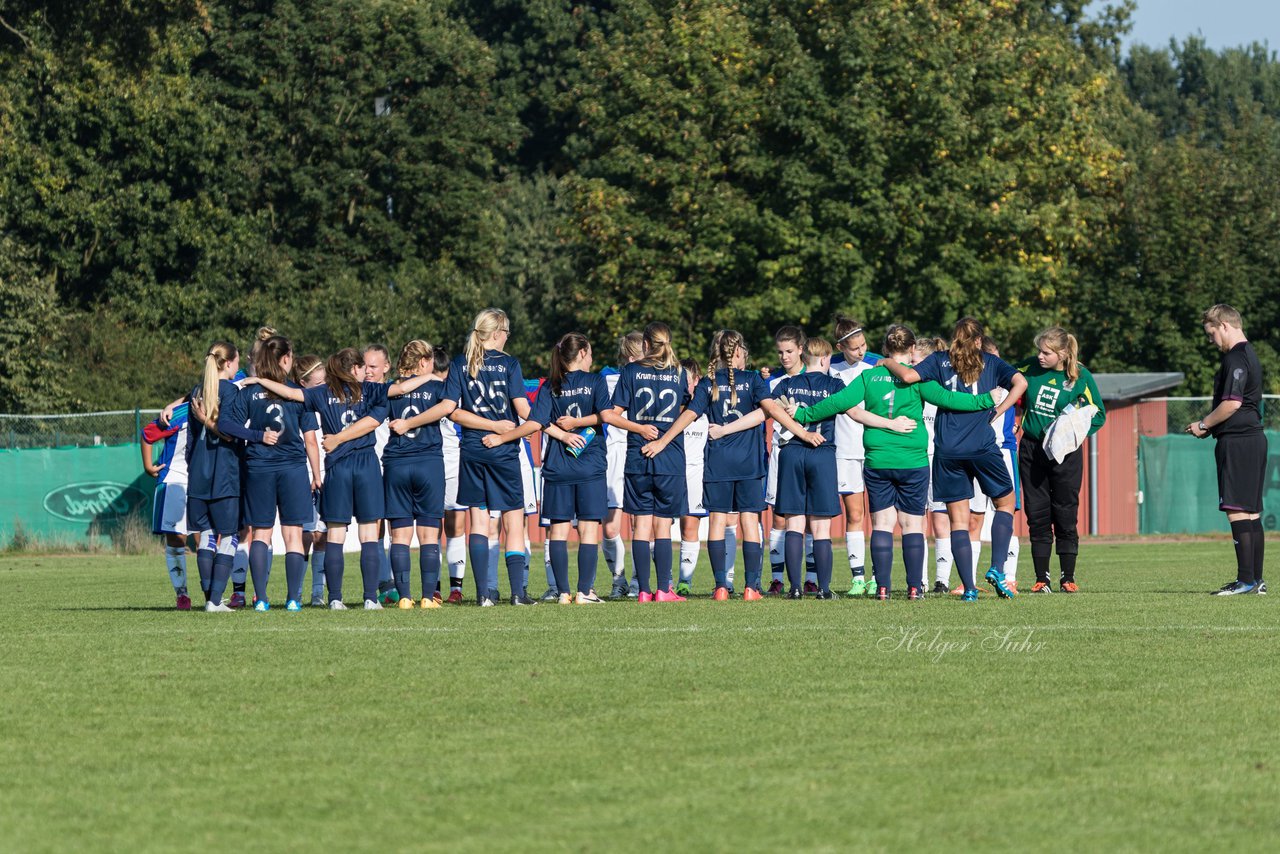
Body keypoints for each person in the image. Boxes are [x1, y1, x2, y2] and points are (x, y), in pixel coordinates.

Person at [789, 325, 999, 599]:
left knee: (882, 524)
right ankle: (914, 588)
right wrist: (986, 399)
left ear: (886, 349)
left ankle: (883, 587)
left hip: (878, 460)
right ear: (912, 349)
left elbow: (837, 402)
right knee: (913, 525)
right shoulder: (917, 380)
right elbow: (949, 399)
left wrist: (804, 415)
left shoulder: (870, 376)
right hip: (912, 460)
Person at [879, 318, 1026, 600]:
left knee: (958, 521)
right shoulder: (991, 363)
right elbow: (1021, 382)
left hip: (947, 450)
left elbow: (908, 377)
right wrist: (999, 410)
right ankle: (996, 567)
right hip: (982, 445)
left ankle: (969, 588)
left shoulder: (938, 359)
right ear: (980, 341)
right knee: (1005, 504)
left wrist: (887, 362)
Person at [246, 348, 389, 609]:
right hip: (366, 463)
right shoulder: (370, 390)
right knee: (369, 533)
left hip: (337, 468)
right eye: (362, 367)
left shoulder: (323, 393)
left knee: (335, 535)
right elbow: (397, 394)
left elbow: (290, 393)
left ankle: (335, 599)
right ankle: (370, 598)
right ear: (355, 369)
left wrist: (259, 380)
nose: (365, 372)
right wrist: (435, 379)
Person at [490, 333, 612, 603]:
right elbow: (606, 416)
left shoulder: (550, 386)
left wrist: (563, 434)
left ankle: (563, 593)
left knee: (558, 529)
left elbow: (536, 421)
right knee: (588, 528)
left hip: (558, 466)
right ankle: (584, 592)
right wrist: (577, 427)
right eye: (589, 352)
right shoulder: (595, 381)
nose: (591, 358)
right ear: (581, 353)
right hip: (590, 465)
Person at [664, 330, 770, 599]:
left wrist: (665, 438)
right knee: (748, 522)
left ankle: (721, 586)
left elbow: (689, 413)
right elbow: (765, 413)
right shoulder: (754, 380)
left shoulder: (707, 383)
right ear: (739, 351)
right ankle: (750, 586)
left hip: (718, 463)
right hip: (748, 463)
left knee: (716, 522)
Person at [442, 308, 534, 606]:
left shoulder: (460, 362)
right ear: (496, 333)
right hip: (504, 451)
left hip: (472, 449)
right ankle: (518, 594)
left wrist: (486, 425)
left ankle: (483, 594)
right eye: (506, 333)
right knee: (513, 521)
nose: (508, 338)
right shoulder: (509, 364)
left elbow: (452, 411)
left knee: (478, 523)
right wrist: (541, 421)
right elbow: (522, 410)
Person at [187, 342, 278, 611]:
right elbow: (229, 431)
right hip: (225, 471)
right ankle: (214, 601)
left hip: (199, 472)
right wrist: (258, 436)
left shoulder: (196, 391)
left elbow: (191, 441)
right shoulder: (230, 390)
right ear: (228, 364)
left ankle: (209, 599)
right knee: (228, 536)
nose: (238, 367)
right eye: (237, 362)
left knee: (205, 536)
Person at [1015, 327, 1106, 593]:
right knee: (1037, 512)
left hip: (1065, 454)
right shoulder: (1029, 367)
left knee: (1065, 511)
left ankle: (1068, 577)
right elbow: (1002, 381)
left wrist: (1073, 435)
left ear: (1063, 353)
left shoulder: (1080, 376)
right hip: (1032, 450)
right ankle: (1041, 578)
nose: (1039, 356)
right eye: (1038, 351)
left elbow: (1098, 414)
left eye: (1046, 352)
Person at [604, 322, 691, 601]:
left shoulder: (630, 371)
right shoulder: (679, 372)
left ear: (645, 345)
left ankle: (642, 590)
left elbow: (611, 414)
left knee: (641, 525)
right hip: (669, 457)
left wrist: (639, 428)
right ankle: (664, 590)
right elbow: (686, 409)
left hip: (637, 456)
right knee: (662, 526)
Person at [1185, 305, 1267, 596]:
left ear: (1224, 326)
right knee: (1251, 511)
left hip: (1239, 441)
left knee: (1236, 509)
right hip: (1252, 439)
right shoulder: (1249, 353)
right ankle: (1255, 581)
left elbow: (1231, 403)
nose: (1211, 341)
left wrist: (1204, 424)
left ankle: (1246, 581)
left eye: (1211, 334)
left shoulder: (1235, 357)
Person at [233, 335, 319, 611]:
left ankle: (261, 599)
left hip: (258, 467)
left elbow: (230, 425)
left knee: (261, 534)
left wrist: (255, 437)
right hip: (292, 467)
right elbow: (310, 439)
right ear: (284, 359)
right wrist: (317, 474)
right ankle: (293, 599)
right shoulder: (297, 393)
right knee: (293, 534)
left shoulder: (248, 390)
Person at [758, 338, 844, 598]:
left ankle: (794, 588)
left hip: (792, 452)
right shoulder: (835, 385)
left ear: (804, 358)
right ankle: (823, 589)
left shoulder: (786, 384)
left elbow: (768, 410)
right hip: (822, 452)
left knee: (793, 523)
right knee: (820, 527)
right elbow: (856, 412)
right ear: (825, 358)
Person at [382, 340, 454, 608]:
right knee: (428, 535)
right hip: (428, 464)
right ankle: (427, 597)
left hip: (396, 464)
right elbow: (452, 410)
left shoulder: (389, 389)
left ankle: (403, 598)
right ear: (423, 362)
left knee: (399, 537)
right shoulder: (436, 386)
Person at [828, 315, 876, 596]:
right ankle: (858, 577)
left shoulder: (876, 364)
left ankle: (877, 575)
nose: (860, 350)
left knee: (880, 515)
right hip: (845, 451)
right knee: (855, 514)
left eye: (863, 344)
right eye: (854, 347)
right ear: (840, 347)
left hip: (876, 448)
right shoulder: (830, 368)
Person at [764, 326, 809, 594]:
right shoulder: (771, 383)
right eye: (780, 352)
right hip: (781, 452)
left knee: (814, 517)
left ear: (801, 349)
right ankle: (777, 578)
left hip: (811, 452)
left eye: (790, 351)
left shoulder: (818, 378)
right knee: (779, 516)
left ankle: (812, 577)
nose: (784, 357)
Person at [602, 332, 643, 598]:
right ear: (631, 358)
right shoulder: (606, 379)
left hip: (642, 451)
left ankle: (641, 580)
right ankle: (619, 579)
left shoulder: (655, 377)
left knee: (642, 521)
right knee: (610, 527)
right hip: (613, 455)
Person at [142, 401, 193, 610]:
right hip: (175, 479)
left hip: (207, 480)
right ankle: (182, 594)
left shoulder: (230, 399)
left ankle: (216, 593)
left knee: (209, 536)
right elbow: (148, 434)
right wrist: (147, 466)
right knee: (176, 537)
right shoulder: (182, 413)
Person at [292, 354, 329, 606]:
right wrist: (314, 475)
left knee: (322, 534)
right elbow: (309, 441)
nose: (323, 387)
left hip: (326, 471)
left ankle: (318, 592)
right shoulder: (298, 403)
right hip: (304, 473)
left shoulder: (327, 400)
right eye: (317, 384)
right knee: (304, 534)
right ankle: (296, 591)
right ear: (303, 383)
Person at [676, 358, 708, 594]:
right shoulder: (669, 405)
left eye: (686, 379)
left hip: (696, 473)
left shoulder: (707, 405)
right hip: (670, 472)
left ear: (697, 380)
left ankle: (684, 581)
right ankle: (662, 581)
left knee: (690, 526)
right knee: (660, 526)